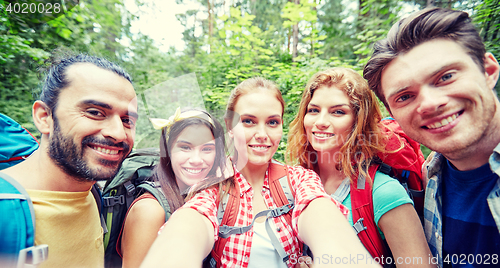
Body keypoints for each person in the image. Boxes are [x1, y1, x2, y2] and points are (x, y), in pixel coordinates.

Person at [140, 77, 381, 268]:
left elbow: (323, 219)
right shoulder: (211, 188)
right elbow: (189, 226)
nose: (262, 134)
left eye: (273, 122)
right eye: (248, 121)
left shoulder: (300, 179)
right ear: (230, 126)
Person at [363, 7, 500, 267]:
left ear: (489, 70)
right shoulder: (432, 177)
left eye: (445, 77)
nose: (429, 104)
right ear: (393, 115)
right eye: (405, 96)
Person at [0, 54, 138, 267]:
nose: (119, 133)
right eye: (95, 112)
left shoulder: (92, 192)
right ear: (45, 117)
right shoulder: (5, 209)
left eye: (127, 120)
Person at [287, 67, 432, 267]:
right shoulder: (293, 183)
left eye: (338, 112)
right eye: (313, 110)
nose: (320, 122)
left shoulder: (383, 192)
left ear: (359, 122)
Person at [118, 108, 226, 268]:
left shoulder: (204, 194)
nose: (196, 160)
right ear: (168, 151)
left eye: (207, 149)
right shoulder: (149, 211)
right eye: (185, 147)